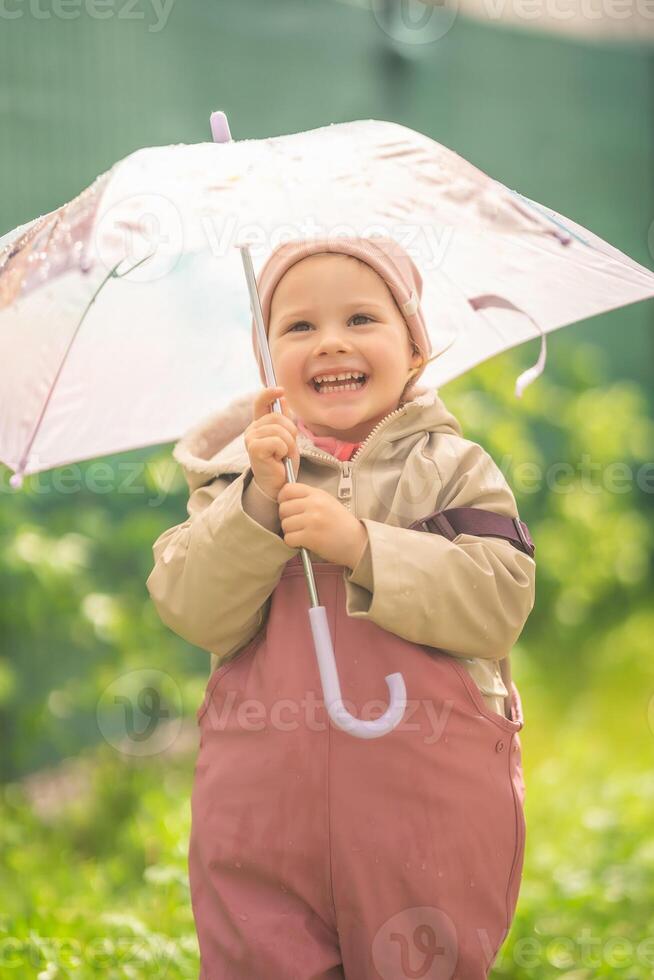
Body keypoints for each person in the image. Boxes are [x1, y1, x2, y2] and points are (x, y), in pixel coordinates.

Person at [146, 236, 536, 979]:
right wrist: (257, 504)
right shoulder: (236, 478)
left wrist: (363, 545)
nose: (330, 343)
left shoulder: (454, 471)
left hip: (425, 802)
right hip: (264, 810)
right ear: (267, 365)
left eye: (361, 320)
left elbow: (498, 602)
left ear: (415, 350)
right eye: (298, 327)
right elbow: (194, 608)